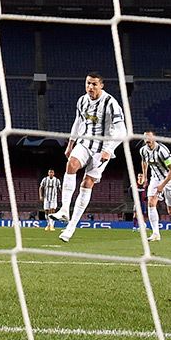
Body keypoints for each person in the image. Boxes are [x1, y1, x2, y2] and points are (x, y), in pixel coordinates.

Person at [49, 72, 125, 243]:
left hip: (102, 149)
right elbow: (78, 122)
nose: (90, 87)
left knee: (87, 183)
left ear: (101, 86)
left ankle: (71, 227)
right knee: (71, 164)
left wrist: (109, 149)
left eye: (94, 84)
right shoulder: (82, 100)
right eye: (88, 83)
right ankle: (64, 209)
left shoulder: (111, 103)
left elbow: (122, 131)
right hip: (84, 143)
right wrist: (70, 144)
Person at [137, 130, 171, 242]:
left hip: (169, 179)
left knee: (170, 210)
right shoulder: (143, 151)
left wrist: (162, 185)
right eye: (145, 138)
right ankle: (156, 233)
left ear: (154, 138)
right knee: (151, 203)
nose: (148, 141)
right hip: (155, 178)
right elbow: (144, 162)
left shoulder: (162, 151)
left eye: (149, 138)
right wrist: (145, 176)